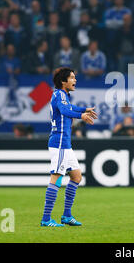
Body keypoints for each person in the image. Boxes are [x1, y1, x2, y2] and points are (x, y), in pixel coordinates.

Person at [41, 67, 98, 227]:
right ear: (63, 81)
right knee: (56, 178)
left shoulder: (63, 95)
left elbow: (70, 108)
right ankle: (46, 219)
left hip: (65, 144)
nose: (75, 80)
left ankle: (66, 216)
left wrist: (84, 109)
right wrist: (82, 115)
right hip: (59, 143)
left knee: (76, 176)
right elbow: (66, 111)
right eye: (72, 78)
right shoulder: (59, 94)